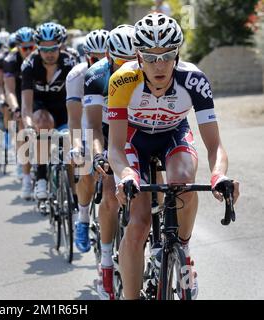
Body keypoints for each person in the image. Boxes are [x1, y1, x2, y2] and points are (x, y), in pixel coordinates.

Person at [107, 13, 240, 300]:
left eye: (168, 55)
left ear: (177, 53)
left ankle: (184, 249)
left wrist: (219, 175)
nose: (160, 64)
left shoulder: (194, 80)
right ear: (138, 56)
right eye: (151, 57)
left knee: (183, 181)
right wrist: (126, 174)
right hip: (134, 139)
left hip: (172, 134)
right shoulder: (122, 80)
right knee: (139, 223)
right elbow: (115, 147)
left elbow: (214, 145)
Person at [82, 25, 137, 300]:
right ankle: (105, 263)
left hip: (137, 131)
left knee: (160, 189)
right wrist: (98, 155)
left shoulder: (146, 70)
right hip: (104, 132)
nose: (125, 68)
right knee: (110, 195)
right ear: (107, 55)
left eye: (132, 61)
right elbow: (92, 126)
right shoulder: (95, 76)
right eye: (119, 62)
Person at [21, 22, 77, 200]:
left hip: (65, 107)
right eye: (44, 50)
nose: (49, 53)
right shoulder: (29, 64)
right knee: (43, 124)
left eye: (54, 48)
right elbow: (26, 105)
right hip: (40, 107)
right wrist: (29, 126)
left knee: (71, 152)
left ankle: (75, 202)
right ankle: (42, 178)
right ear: (38, 48)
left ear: (60, 46)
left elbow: (80, 97)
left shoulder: (70, 62)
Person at [66, 29, 110, 253]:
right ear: (86, 58)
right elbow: (74, 119)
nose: (100, 63)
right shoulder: (77, 76)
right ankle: (83, 219)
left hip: (116, 123)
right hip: (89, 125)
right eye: (95, 59)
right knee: (86, 167)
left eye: (105, 57)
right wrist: (76, 146)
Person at [3, 27, 37, 198]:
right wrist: (15, 107)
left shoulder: (40, 59)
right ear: (17, 48)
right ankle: (26, 177)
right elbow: (9, 90)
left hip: (38, 95)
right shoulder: (10, 60)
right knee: (22, 129)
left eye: (32, 47)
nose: (29, 51)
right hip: (18, 95)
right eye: (25, 48)